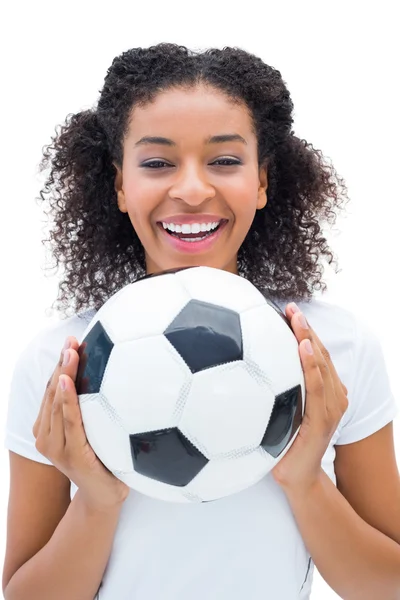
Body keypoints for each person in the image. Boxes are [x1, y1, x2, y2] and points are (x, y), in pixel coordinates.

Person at [2, 43, 400, 600]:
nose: (191, 189)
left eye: (225, 160)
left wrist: (305, 479)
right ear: (119, 185)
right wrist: (96, 499)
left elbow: (386, 586)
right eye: (158, 163)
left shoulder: (334, 349)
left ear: (262, 182)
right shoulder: (59, 363)